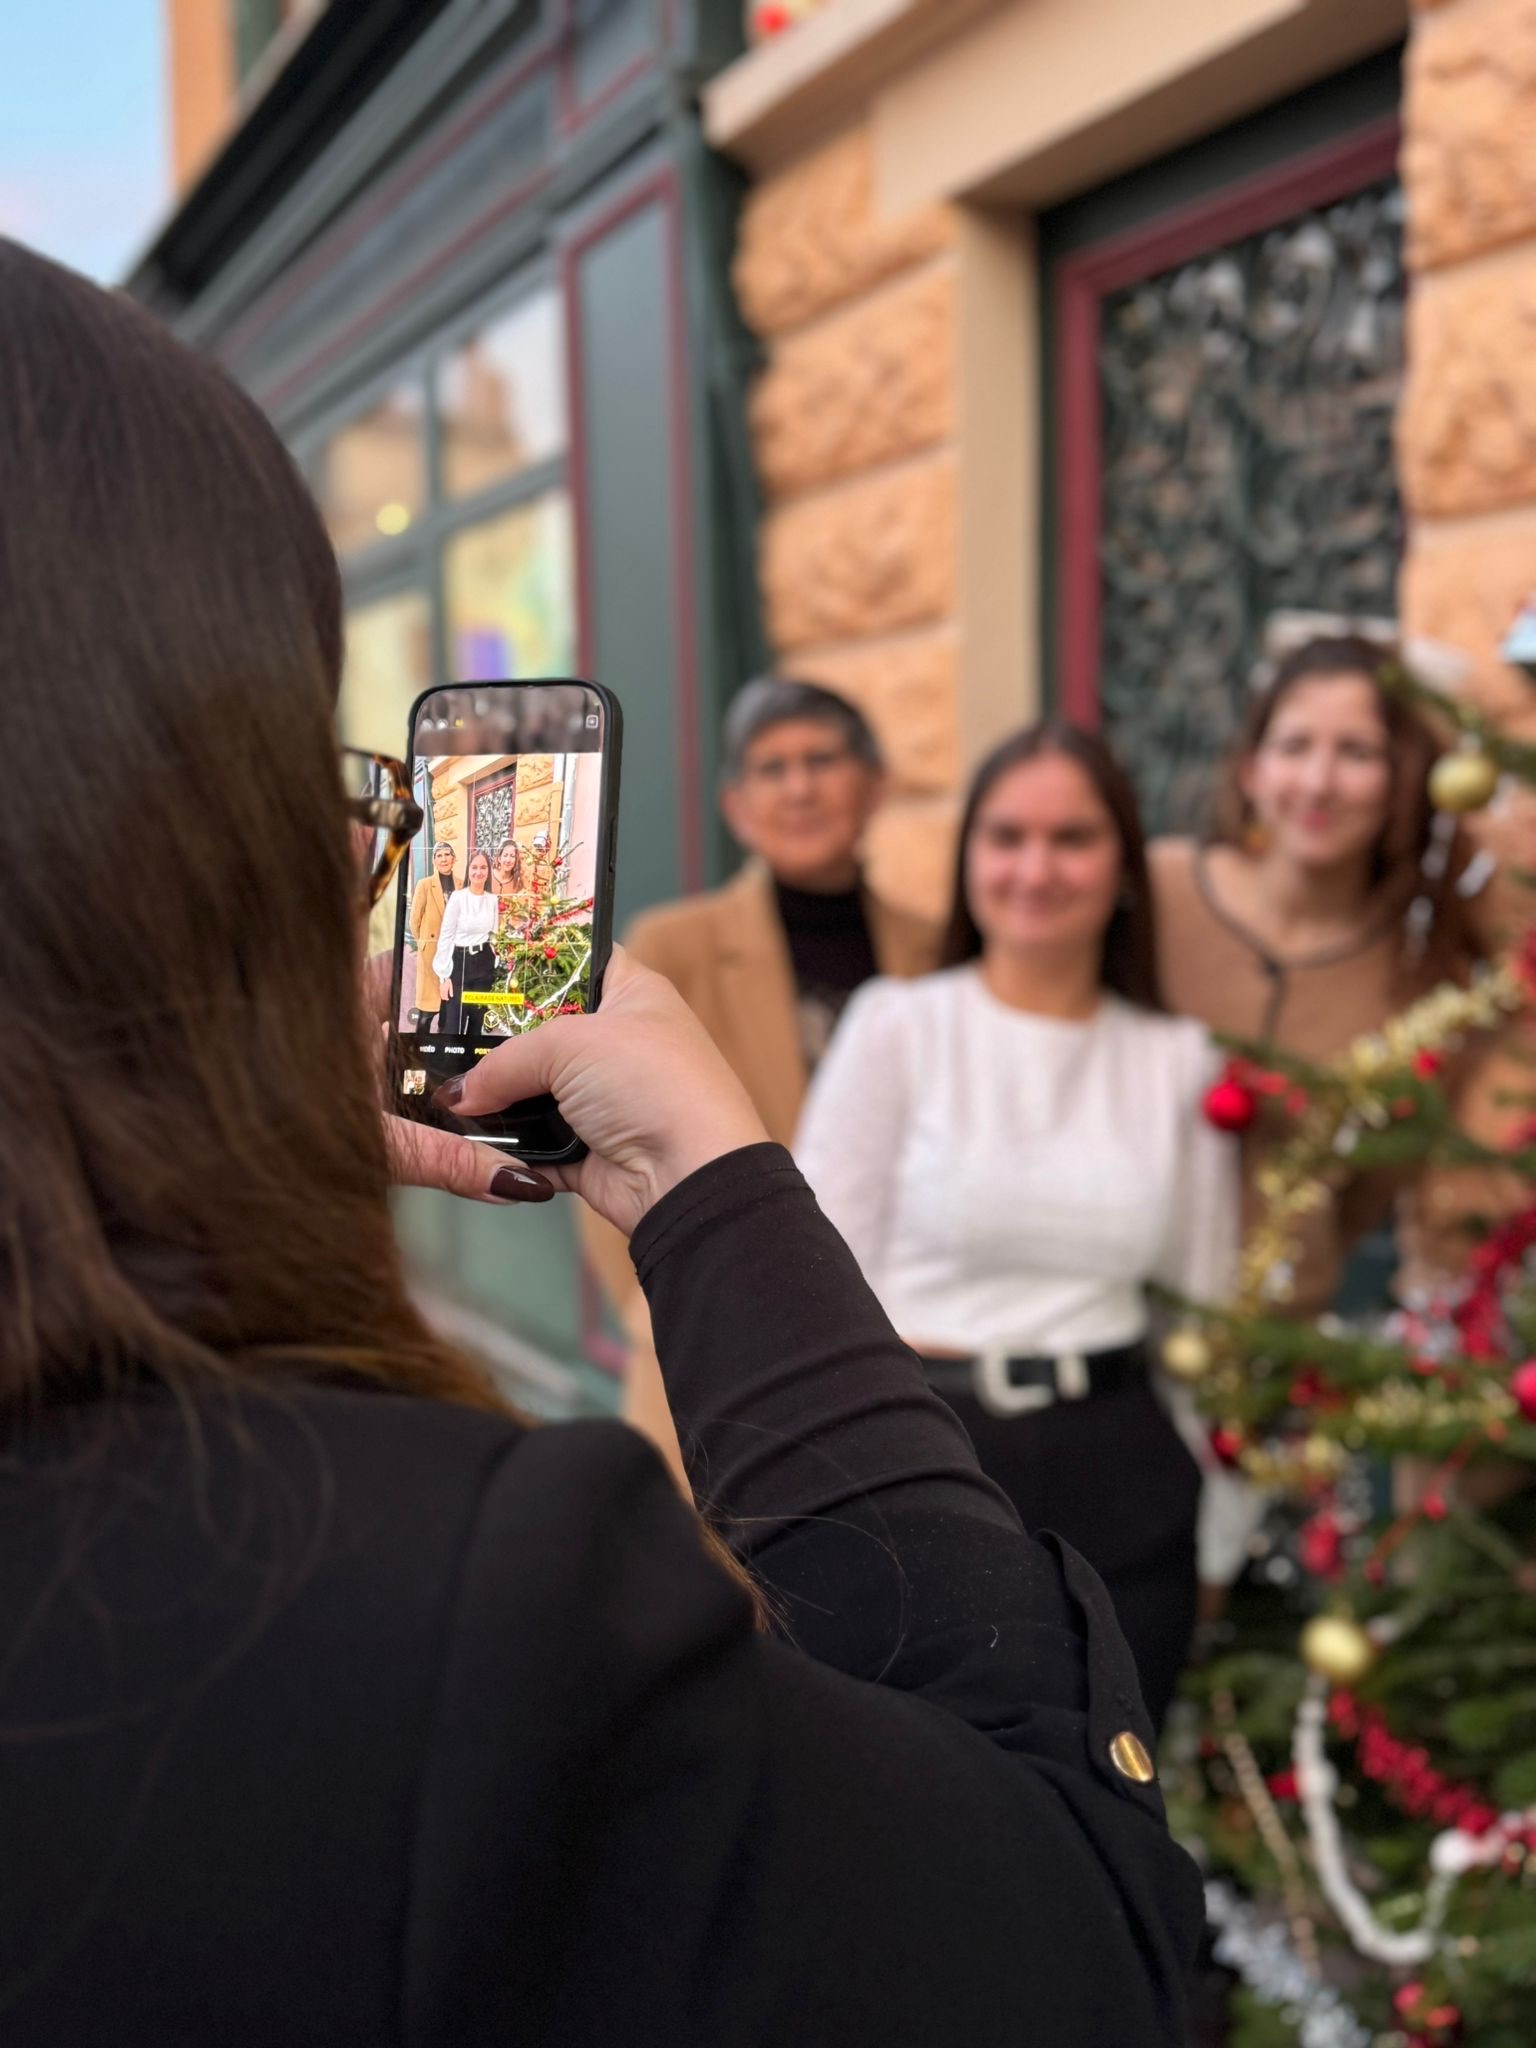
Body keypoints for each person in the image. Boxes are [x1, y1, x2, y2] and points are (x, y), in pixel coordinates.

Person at [0, 236, 1202, 2044]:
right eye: (320, 788)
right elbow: (1075, 1937)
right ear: (169, 844)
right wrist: (712, 1198)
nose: (357, 861)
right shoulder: (450, 1606)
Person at [795, 723, 1241, 1731]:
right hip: (924, 1462)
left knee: (1112, 1813)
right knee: (915, 1808)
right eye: (1006, 836)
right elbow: (815, 1284)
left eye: (1072, 837)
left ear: (1123, 863)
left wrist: (1222, 1529)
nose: (1036, 868)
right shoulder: (898, 1026)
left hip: (1123, 1474)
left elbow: (1205, 1311)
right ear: (970, 860)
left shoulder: (1180, 1060)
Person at [583, 676, 940, 1457]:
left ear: (875, 786)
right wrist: (652, 1314)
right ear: (737, 807)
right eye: (771, 769)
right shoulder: (677, 947)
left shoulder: (938, 950)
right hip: (722, 1346)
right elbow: (599, 1136)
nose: (800, 787)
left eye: (823, 760)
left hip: (905, 1342)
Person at [1149, 633, 1484, 1315]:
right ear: (1251, 768)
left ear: (1406, 776)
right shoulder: (1159, 895)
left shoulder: (1421, 983)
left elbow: (1373, 1192)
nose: (1318, 782)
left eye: (1356, 752)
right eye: (1294, 746)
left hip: (1279, 1346)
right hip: (1109, 1329)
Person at [434, 846, 499, 1046]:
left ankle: (471, 1069)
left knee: (476, 1019)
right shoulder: (458, 897)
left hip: (484, 962)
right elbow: (446, 935)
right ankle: (448, 1067)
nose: (478, 872)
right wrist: (443, 976)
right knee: (455, 1022)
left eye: (483, 868)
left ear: (488, 871)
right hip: (459, 962)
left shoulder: (492, 900)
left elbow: (495, 935)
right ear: (468, 870)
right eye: (474, 867)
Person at [407, 840, 458, 1031]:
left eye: (447, 854)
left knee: (448, 1008)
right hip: (431, 953)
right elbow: (414, 920)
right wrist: (423, 944)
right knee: (426, 1011)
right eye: (439, 855)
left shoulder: (461, 884)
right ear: (434, 861)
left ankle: (442, 1047)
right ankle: (420, 1047)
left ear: (454, 858)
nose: (444, 859)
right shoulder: (425, 885)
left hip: (454, 953)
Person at [492, 835, 525, 905]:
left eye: (512, 856)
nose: (508, 860)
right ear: (499, 858)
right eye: (505, 855)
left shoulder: (518, 883)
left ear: (516, 860)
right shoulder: (488, 877)